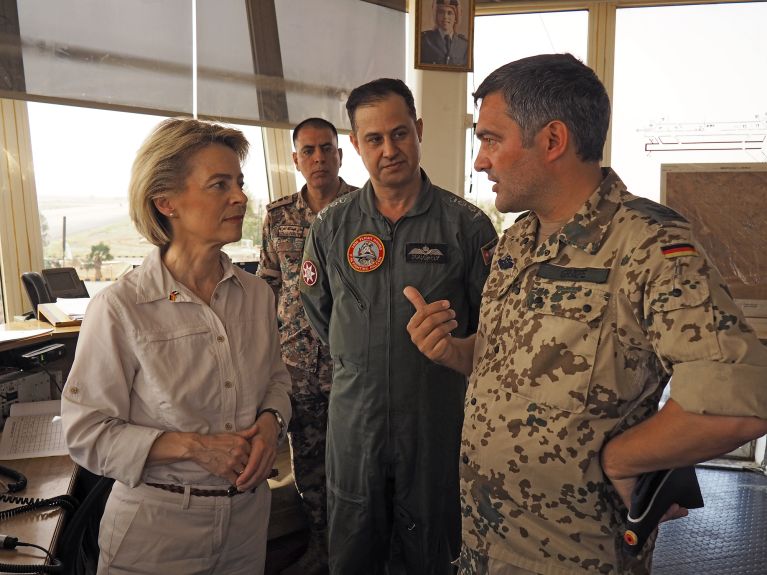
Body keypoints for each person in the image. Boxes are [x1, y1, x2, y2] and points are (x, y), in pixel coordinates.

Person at [405, 53, 767, 575]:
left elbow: (739, 402)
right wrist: (456, 352)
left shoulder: (645, 243)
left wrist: (623, 458)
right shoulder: (517, 242)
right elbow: (502, 363)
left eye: (490, 139)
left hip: (572, 556)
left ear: (552, 141)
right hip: (487, 544)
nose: (480, 161)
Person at [61, 118, 292, 575]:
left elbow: (277, 381)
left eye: (240, 183)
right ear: (166, 202)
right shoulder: (120, 308)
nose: (240, 197)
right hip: (157, 535)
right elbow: (86, 433)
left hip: (247, 524)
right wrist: (192, 448)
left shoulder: (257, 295)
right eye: (219, 184)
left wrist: (271, 423)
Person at [299, 78, 497, 574]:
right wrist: (364, 357)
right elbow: (319, 311)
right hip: (355, 422)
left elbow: (494, 330)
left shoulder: (466, 226)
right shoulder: (330, 227)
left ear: (419, 130)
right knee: (353, 547)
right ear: (356, 146)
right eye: (374, 139)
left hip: (434, 421)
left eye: (400, 133)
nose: (390, 150)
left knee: (432, 549)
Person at [258, 117, 357, 575]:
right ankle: (321, 550)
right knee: (310, 469)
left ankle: (358, 552)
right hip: (296, 366)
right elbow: (268, 286)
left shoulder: (364, 210)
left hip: (351, 367)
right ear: (296, 159)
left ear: (340, 154)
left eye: (327, 149)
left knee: (357, 467)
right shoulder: (277, 215)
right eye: (309, 151)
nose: (319, 158)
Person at [419, 0, 468, 67]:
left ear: (456, 17)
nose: (445, 16)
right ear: (436, 16)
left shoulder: (464, 45)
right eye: (441, 12)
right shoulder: (424, 40)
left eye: (450, 13)